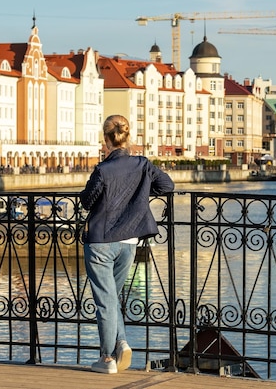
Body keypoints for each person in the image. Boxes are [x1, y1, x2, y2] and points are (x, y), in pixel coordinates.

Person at [80, 115, 174, 374]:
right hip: (129, 242)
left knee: (105, 300)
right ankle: (121, 343)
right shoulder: (142, 164)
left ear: (105, 140)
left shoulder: (103, 170)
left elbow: (87, 201)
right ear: (127, 137)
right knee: (112, 298)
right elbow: (167, 185)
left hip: (101, 241)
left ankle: (107, 358)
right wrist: (140, 193)